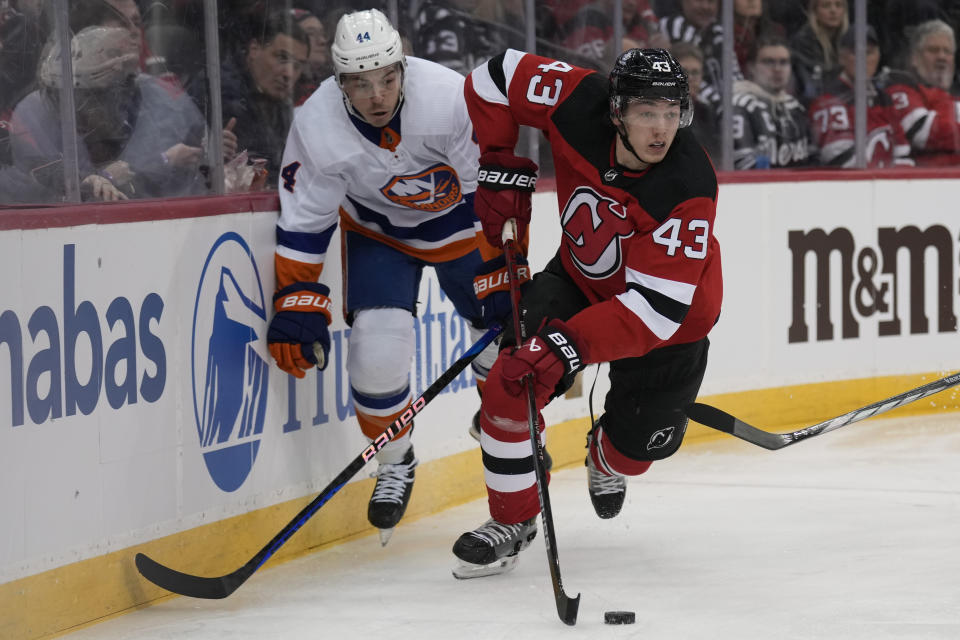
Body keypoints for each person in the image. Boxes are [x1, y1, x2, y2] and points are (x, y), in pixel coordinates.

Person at [450, 47, 721, 576]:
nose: (662, 129)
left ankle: (606, 453)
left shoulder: (687, 185)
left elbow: (654, 312)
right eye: (646, 112)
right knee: (512, 379)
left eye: (671, 113)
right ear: (616, 110)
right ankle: (513, 519)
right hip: (579, 282)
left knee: (633, 455)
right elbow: (495, 76)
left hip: (670, 326)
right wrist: (498, 159)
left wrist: (567, 345)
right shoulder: (576, 99)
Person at [267, 9, 503, 544]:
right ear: (338, 79)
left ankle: (499, 418)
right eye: (359, 82)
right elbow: (306, 217)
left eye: (387, 79)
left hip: (465, 230)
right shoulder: (317, 122)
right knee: (374, 360)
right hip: (380, 236)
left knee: (503, 335)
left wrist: (503, 271)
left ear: (402, 66)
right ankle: (395, 460)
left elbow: (488, 191)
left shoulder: (449, 97)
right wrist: (295, 295)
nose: (376, 95)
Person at [11, 25, 210, 200]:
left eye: (107, 94)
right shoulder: (34, 115)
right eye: (90, 96)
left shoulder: (143, 101)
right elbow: (47, 187)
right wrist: (105, 179)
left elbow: (154, 185)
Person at [196, 10, 310, 184]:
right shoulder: (218, 93)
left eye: (297, 66)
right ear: (254, 49)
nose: (289, 73)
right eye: (282, 58)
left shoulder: (277, 102)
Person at [809, 26, 912, 168]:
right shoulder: (828, 98)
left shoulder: (884, 99)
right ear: (842, 58)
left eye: (869, 53)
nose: (863, 59)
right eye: (855, 53)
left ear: (878, 57)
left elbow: (903, 154)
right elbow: (840, 160)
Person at [882, 19, 960, 167]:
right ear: (914, 59)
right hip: (924, 181)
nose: (942, 57)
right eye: (933, 50)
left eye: (947, 51)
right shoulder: (900, 87)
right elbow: (921, 132)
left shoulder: (955, 95)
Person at [731, 33, 813, 169]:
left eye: (784, 62)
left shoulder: (796, 107)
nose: (777, 69)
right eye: (768, 62)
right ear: (751, 67)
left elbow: (811, 158)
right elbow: (742, 165)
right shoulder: (739, 105)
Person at [789, 0, 849, 104]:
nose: (833, 11)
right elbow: (817, 81)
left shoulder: (850, 39)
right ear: (814, 11)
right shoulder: (803, 41)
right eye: (826, 6)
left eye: (839, 5)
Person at [672, 41, 720, 159]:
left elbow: (714, 156)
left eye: (695, 72)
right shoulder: (658, 114)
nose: (690, 78)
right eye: (684, 72)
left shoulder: (705, 111)